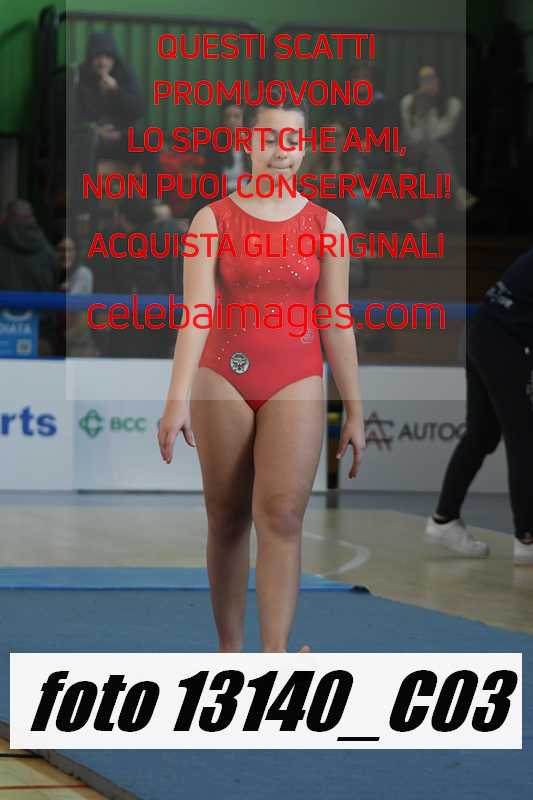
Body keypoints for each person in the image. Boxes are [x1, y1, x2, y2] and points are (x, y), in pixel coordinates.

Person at [157, 91, 366, 652]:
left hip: (295, 377)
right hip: (221, 375)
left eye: (291, 140)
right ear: (247, 141)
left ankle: (274, 658)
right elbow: (196, 314)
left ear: (305, 147)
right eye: (269, 138)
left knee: (282, 516)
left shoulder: (327, 225)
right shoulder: (212, 219)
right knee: (227, 518)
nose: (280, 150)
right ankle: (230, 653)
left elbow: (337, 321)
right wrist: (176, 399)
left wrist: (354, 409)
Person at [425, 247, 533, 563]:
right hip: (504, 342)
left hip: (482, 332)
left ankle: (444, 519)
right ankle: (527, 538)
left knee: (483, 434)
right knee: (523, 437)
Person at [400, 65, 476, 231]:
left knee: (432, 162)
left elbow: (441, 133)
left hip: (440, 153)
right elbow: (413, 136)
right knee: (432, 147)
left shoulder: (453, 104)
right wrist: (421, 112)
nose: (428, 83)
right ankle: (458, 192)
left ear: (440, 81)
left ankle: (430, 219)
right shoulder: (407, 102)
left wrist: (430, 109)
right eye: (423, 79)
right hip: (413, 151)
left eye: (431, 78)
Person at [0, 200, 58, 355]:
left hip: (3, 337)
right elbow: (53, 285)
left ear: (6, 219)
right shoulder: (48, 253)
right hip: (40, 335)